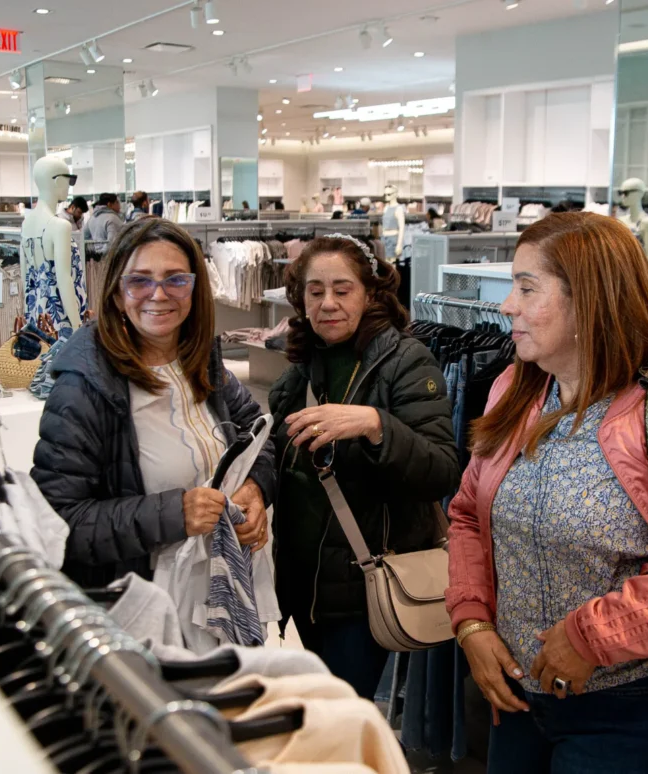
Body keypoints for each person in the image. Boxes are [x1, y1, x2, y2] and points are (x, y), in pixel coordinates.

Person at [444, 212, 648, 773]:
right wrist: (471, 620)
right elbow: (469, 518)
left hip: (628, 712)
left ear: (589, 299)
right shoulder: (513, 390)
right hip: (517, 695)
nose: (507, 305)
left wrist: (594, 635)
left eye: (527, 288)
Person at [32, 218, 275, 588]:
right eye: (140, 280)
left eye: (176, 279)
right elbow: (58, 520)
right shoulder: (85, 388)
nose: (159, 294)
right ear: (117, 293)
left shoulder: (201, 364)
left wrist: (256, 490)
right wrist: (175, 514)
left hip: (216, 591)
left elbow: (259, 440)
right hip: (141, 603)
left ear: (194, 289)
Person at [269, 234, 461, 699]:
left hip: (361, 586)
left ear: (370, 293)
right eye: (315, 292)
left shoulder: (406, 362)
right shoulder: (302, 363)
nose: (328, 304)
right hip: (301, 582)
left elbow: (440, 470)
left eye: (342, 289)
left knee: (344, 715)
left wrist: (376, 425)